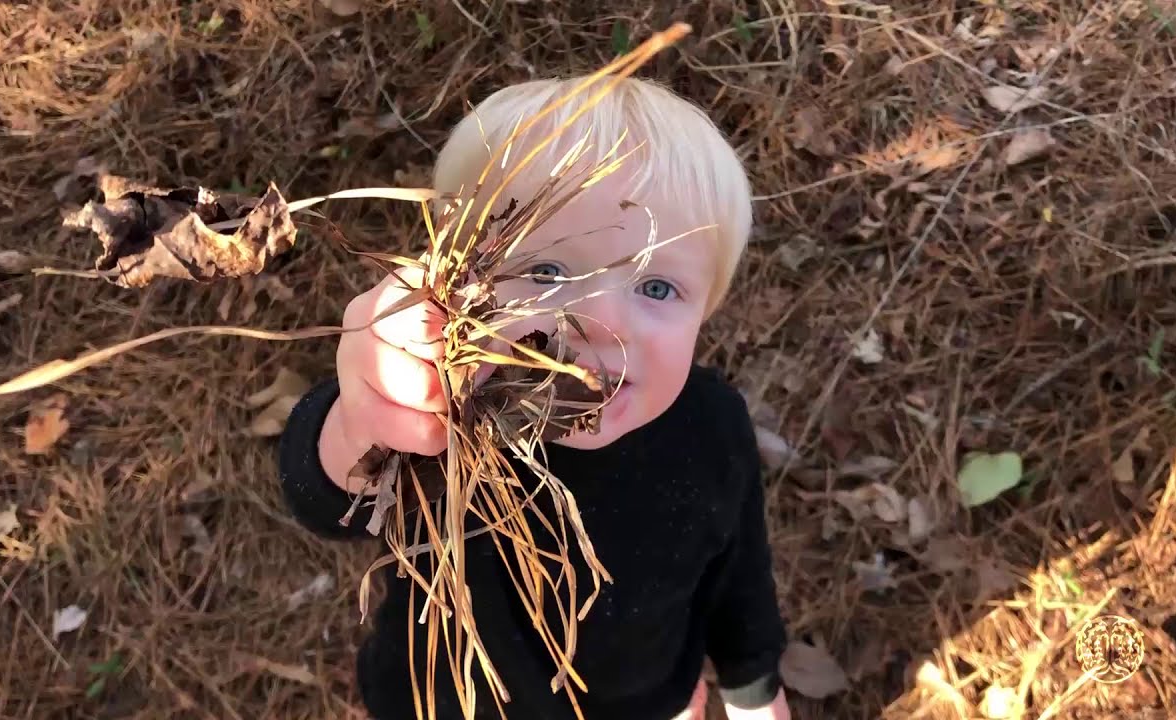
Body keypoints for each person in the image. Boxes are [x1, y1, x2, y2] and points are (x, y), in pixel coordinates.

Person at [278, 75, 792, 720]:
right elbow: (324, 500)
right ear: (453, 279)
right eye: (546, 272)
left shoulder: (713, 426)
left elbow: (738, 570)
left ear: (704, 313)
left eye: (657, 288)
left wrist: (752, 687)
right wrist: (362, 418)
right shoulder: (444, 413)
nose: (601, 323)